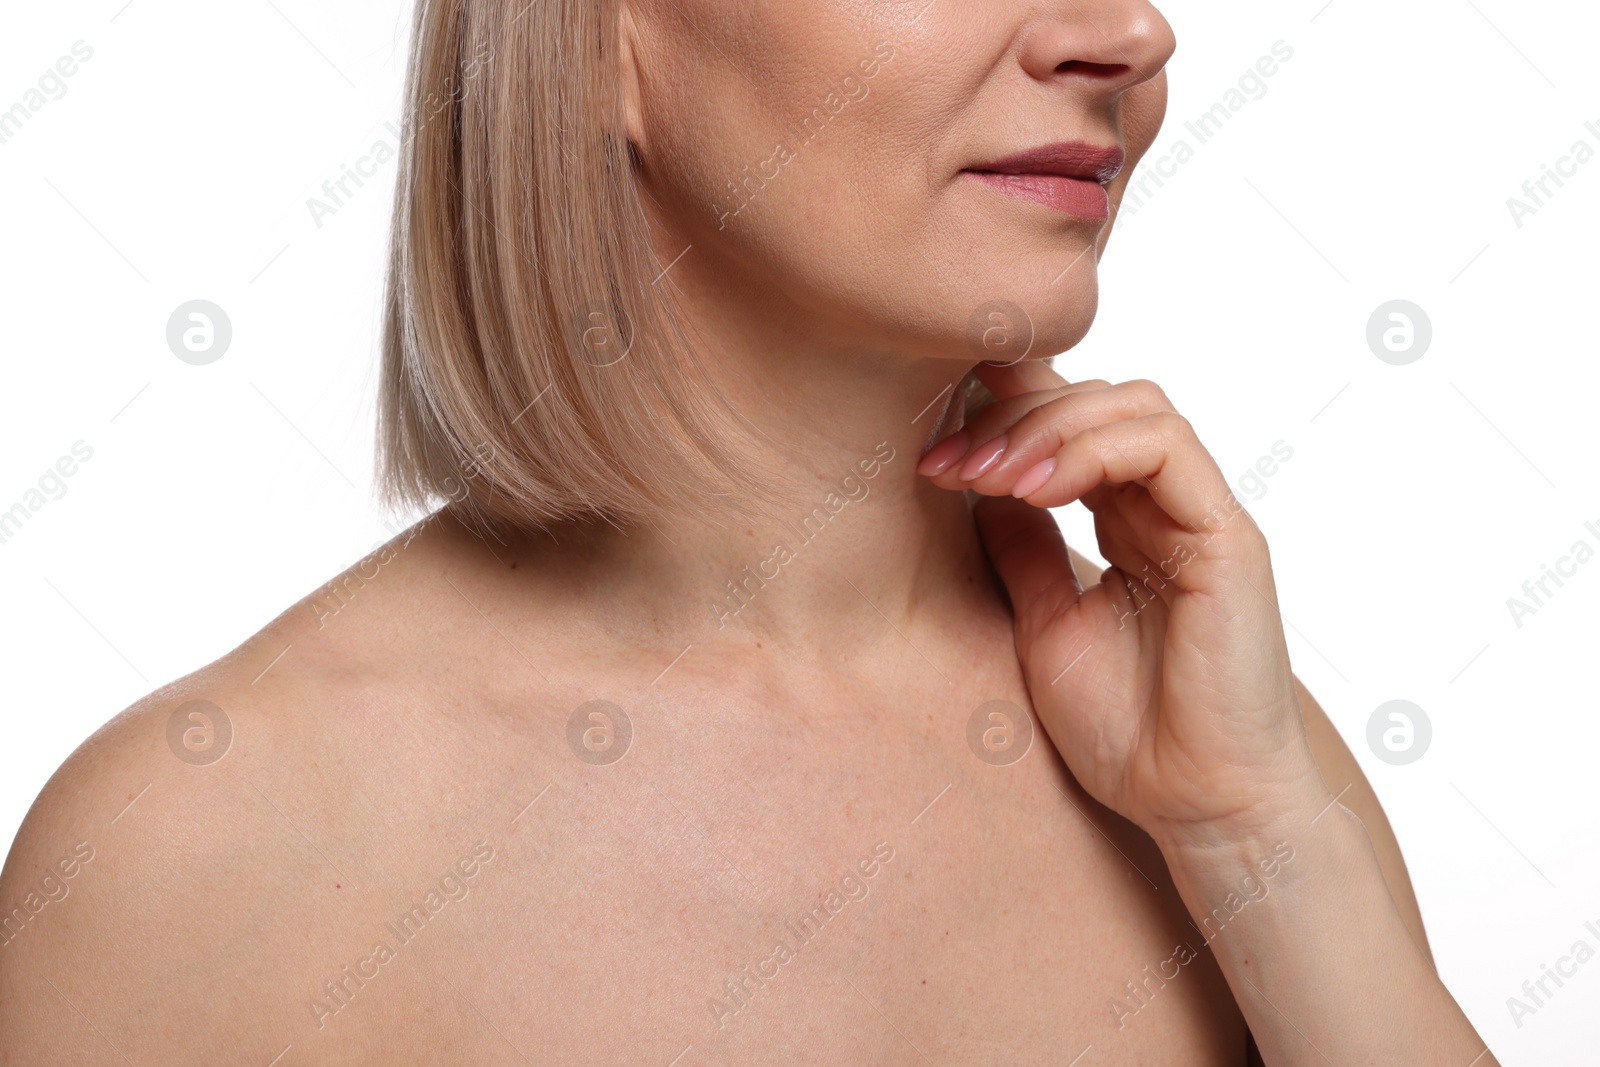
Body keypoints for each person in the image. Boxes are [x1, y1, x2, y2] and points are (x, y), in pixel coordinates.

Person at [0, 0, 1496, 1062]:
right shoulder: (198, 851)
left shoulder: (1221, 763)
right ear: (597, 40)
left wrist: (1257, 844)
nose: (1129, 33)